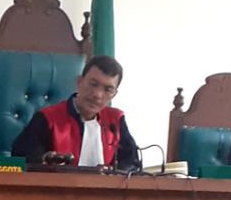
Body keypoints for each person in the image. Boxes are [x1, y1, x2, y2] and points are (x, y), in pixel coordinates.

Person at [10, 55, 141, 170]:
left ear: (114, 95)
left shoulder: (116, 121)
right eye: (93, 84)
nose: (98, 94)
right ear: (79, 82)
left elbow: (132, 163)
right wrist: (46, 161)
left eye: (108, 89)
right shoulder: (48, 118)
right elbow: (22, 156)